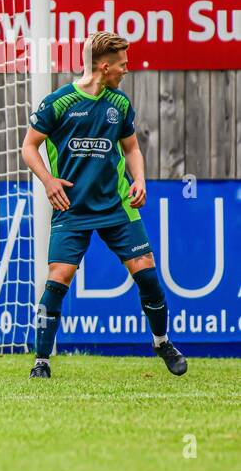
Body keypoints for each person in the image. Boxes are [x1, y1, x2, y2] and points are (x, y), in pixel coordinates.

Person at [21, 31, 187, 379]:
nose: (127, 70)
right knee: (58, 279)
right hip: (73, 207)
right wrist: (48, 181)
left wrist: (139, 179)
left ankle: (161, 341)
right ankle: (42, 361)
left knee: (148, 275)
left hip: (116, 207)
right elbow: (29, 147)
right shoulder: (59, 102)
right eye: (123, 64)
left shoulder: (120, 105)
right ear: (104, 65)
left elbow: (132, 150)